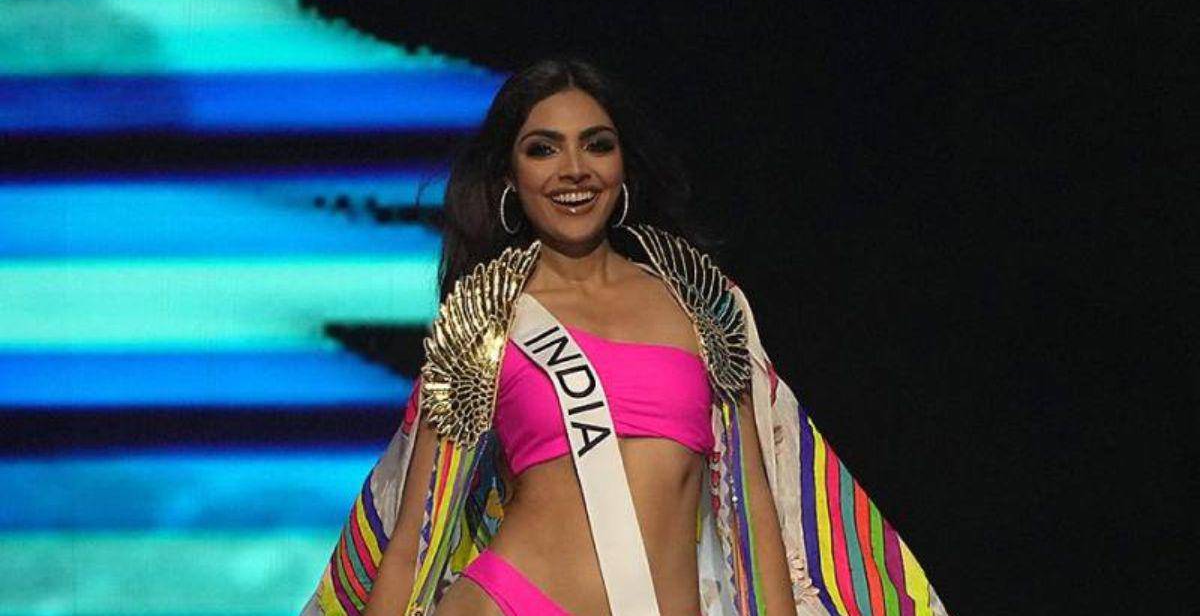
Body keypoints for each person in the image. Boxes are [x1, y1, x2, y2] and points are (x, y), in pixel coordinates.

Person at [302, 59, 950, 616]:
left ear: (623, 167)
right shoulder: (489, 315)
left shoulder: (701, 301)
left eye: (597, 145)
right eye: (543, 149)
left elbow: (754, 507)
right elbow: (414, 536)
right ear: (509, 179)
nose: (574, 169)